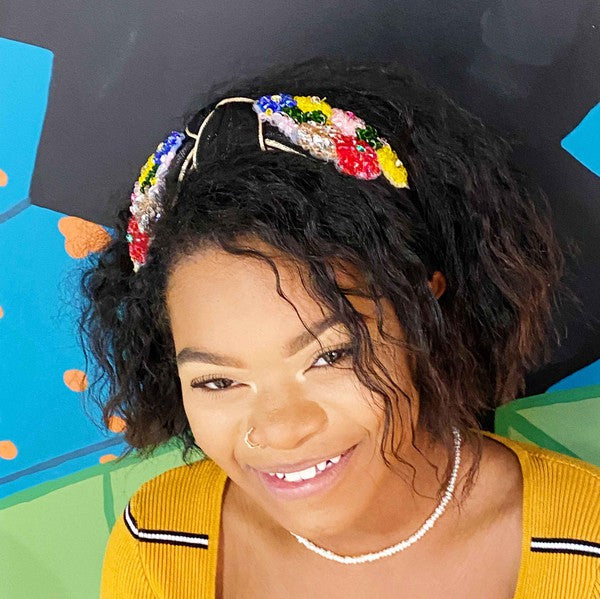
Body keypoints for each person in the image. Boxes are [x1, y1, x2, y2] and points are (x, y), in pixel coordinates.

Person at [79, 57, 600, 598]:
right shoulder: (161, 539)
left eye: (329, 355)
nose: (280, 431)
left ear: (427, 316)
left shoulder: (587, 548)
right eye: (218, 381)